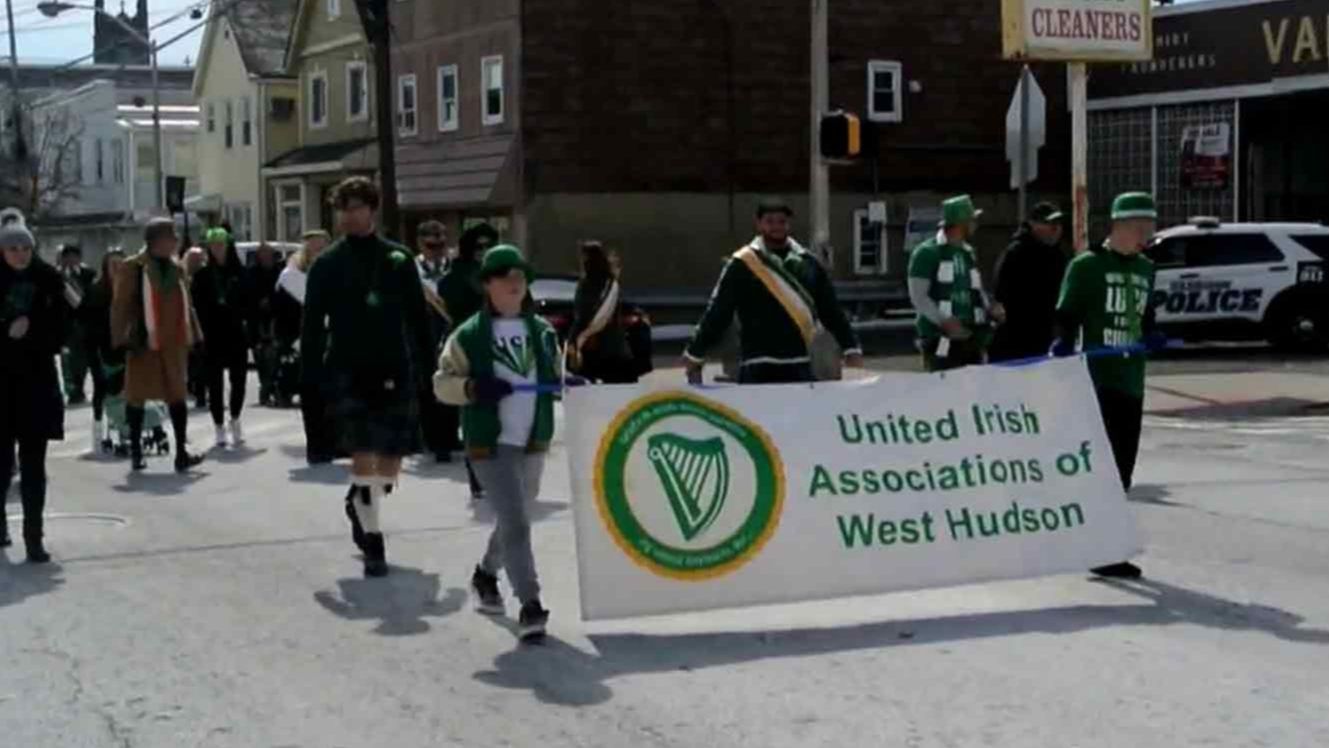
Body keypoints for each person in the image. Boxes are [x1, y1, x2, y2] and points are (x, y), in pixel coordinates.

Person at [301, 177, 433, 578]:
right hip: (347, 368)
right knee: (363, 456)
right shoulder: (327, 263)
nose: (348, 215)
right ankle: (374, 543)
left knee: (388, 467)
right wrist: (309, 378)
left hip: (394, 367)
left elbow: (417, 317)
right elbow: (312, 326)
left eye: (356, 207)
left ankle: (358, 500)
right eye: (343, 208)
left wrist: (430, 367)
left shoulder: (398, 259)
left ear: (372, 210)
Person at [434, 244, 560, 642]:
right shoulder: (468, 335)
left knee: (514, 518)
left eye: (520, 275)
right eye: (504, 275)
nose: (514, 282)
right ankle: (531, 605)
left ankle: (486, 574)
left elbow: (557, 376)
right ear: (487, 284)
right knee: (518, 524)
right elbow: (441, 384)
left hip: (534, 440)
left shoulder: (542, 332)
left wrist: (569, 384)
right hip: (491, 444)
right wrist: (472, 387)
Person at [1053, 191, 1165, 581]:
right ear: (1120, 226)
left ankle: (1101, 542)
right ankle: (1102, 547)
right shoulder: (1087, 267)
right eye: (1141, 228)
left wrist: (1153, 334)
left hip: (1132, 378)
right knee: (1103, 468)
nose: (1146, 235)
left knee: (1123, 471)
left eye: (1149, 228)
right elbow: (1066, 314)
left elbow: (1145, 315)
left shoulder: (1147, 269)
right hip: (1097, 379)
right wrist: (1064, 344)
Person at [683, 198, 862, 385]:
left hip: (799, 365)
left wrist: (851, 348)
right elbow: (719, 311)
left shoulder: (809, 264)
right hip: (756, 366)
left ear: (789, 224)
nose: (776, 227)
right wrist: (695, 353)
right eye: (770, 221)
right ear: (759, 224)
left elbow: (830, 310)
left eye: (782, 222)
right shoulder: (742, 264)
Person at [110, 217, 206, 473]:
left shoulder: (177, 268)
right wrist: (119, 339)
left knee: (177, 396)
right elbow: (120, 306)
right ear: (155, 241)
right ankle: (137, 453)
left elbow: (188, 303)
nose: (175, 241)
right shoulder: (133, 267)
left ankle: (181, 453)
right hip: (145, 342)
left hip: (173, 342)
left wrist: (196, 336)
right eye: (170, 237)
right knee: (137, 396)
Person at [0, 221, 68, 562]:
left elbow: (66, 322)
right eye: (13, 249)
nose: (20, 254)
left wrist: (36, 327)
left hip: (37, 383)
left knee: (34, 465)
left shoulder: (47, 280)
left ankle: (34, 536)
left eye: (25, 248)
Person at [908, 194, 1005, 372]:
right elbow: (918, 297)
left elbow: (975, 290)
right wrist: (943, 320)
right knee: (943, 390)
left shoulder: (968, 252)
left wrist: (989, 307)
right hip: (940, 338)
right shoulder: (926, 253)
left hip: (970, 337)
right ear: (961, 223)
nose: (975, 224)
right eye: (972, 220)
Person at [438, 223, 496, 498]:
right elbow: (450, 301)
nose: (483, 251)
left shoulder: (503, 272)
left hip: (501, 346)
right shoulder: (457, 275)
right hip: (468, 348)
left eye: (488, 246)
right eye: (478, 246)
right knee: (475, 415)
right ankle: (479, 477)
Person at [192, 227, 251, 449]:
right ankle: (218, 426)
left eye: (221, 245)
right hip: (212, 335)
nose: (217, 249)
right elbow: (196, 306)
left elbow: (249, 302)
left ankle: (235, 418)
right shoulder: (202, 275)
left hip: (236, 333)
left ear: (228, 246)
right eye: (213, 246)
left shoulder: (241, 272)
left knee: (239, 381)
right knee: (214, 384)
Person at [990, 202, 1068, 362]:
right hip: (1016, 342)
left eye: (1059, 224)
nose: (1056, 229)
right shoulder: (1017, 253)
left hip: (1047, 339)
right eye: (1050, 224)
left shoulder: (1058, 256)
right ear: (1033, 225)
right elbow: (1001, 296)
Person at [415, 220, 460, 462]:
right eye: (431, 245)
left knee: (452, 381)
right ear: (420, 243)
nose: (437, 249)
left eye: (441, 243)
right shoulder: (412, 269)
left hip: (450, 329)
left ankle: (450, 436)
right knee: (428, 386)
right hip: (424, 332)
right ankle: (432, 439)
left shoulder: (454, 267)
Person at [568, 240, 637, 383]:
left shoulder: (587, 284)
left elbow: (583, 316)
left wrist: (572, 340)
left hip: (593, 351)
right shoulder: (612, 282)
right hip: (616, 349)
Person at [82, 249, 126, 452]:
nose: (117, 269)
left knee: (126, 388)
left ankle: (126, 428)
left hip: (124, 347)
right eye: (113, 265)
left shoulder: (130, 290)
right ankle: (98, 429)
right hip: (99, 348)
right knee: (101, 388)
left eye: (120, 265)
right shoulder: (95, 291)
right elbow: (87, 323)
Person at [57, 244, 98, 404]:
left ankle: (81, 387)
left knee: (85, 359)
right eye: (67, 257)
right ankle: (74, 391)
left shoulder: (89, 274)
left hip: (86, 324)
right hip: (67, 326)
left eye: (74, 256)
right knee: (70, 361)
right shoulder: (57, 276)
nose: (71, 260)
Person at [247, 242, 283, 406]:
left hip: (277, 319)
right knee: (260, 356)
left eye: (268, 254)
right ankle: (266, 385)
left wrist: (273, 301)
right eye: (262, 254)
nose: (265, 257)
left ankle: (271, 387)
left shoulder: (279, 271)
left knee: (274, 356)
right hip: (257, 320)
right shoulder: (252, 273)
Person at [182, 246, 209, 410]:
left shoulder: (207, 277)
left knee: (201, 363)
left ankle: (201, 394)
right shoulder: (180, 277)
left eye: (199, 260)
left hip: (203, 326)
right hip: (184, 326)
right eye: (193, 260)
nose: (196, 263)